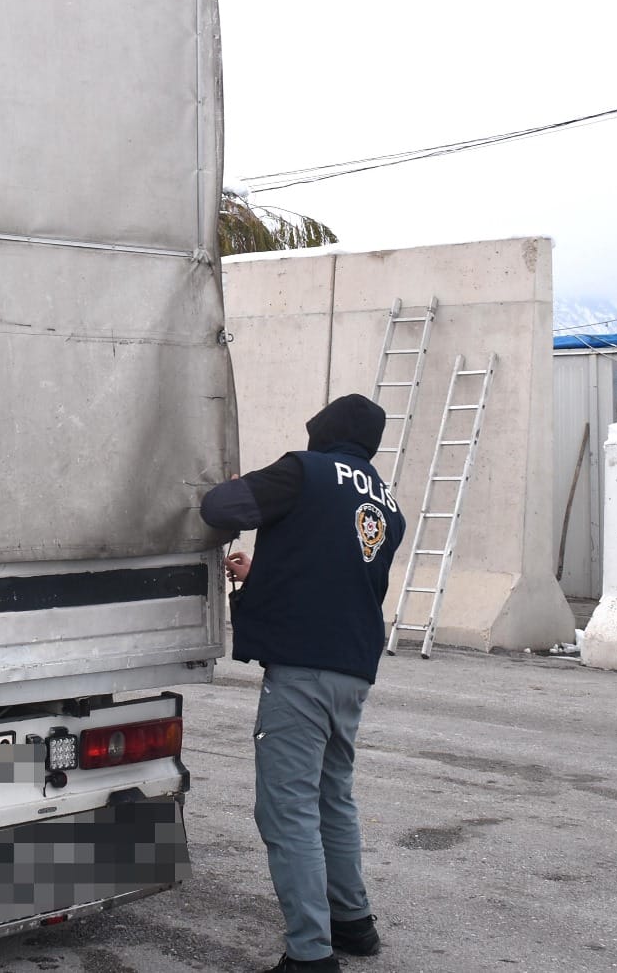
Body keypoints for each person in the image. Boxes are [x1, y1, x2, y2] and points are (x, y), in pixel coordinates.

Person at [200, 393, 406, 973]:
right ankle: (353, 924)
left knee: (286, 808)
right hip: (352, 667)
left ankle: (311, 955)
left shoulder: (304, 470)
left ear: (324, 431)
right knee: (331, 797)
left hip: (304, 670)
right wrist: (261, 572)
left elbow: (221, 507)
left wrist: (240, 484)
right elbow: (335, 574)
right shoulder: (387, 501)